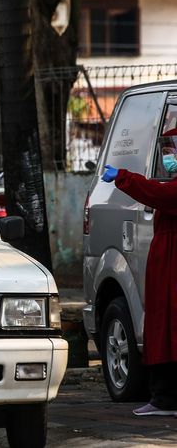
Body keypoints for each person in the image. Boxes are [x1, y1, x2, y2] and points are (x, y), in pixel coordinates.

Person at [102, 127, 177, 416]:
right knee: (163, 325)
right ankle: (165, 397)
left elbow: (158, 193)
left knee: (167, 326)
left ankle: (165, 398)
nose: (169, 157)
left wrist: (123, 177)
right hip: (166, 263)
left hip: (170, 264)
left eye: (173, 151)